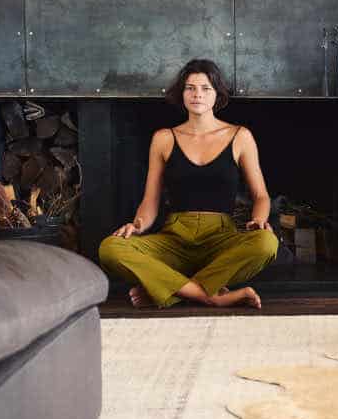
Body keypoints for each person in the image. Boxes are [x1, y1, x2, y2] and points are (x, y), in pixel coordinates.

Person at [99, 58, 278, 309]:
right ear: (181, 93)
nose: (197, 95)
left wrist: (259, 220)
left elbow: (261, 196)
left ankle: (169, 288)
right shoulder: (164, 138)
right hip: (174, 240)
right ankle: (211, 295)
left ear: (217, 94)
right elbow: (150, 199)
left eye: (206, 88)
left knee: (267, 243)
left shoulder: (240, 136)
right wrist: (137, 226)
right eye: (190, 88)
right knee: (110, 248)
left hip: (221, 239)